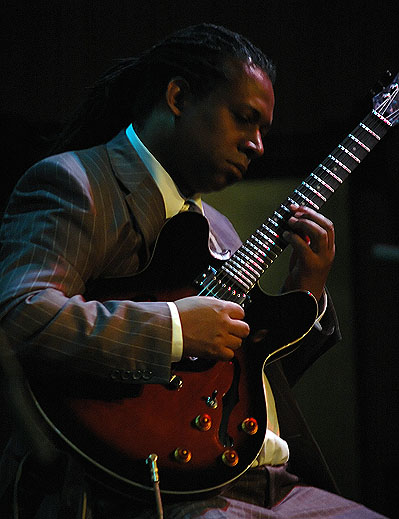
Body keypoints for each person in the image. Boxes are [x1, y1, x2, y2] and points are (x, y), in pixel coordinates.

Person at [0, 23, 386, 519]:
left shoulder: (219, 229)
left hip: (274, 484)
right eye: (245, 119)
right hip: (149, 492)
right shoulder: (76, 184)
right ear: (179, 96)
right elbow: (20, 315)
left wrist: (304, 294)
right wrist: (177, 329)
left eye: (265, 129)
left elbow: (241, 382)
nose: (258, 145)